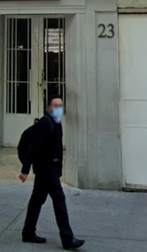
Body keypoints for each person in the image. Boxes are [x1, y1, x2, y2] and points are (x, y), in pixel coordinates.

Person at [19, 95, 85, 250]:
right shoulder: (46, 123)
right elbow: (34, 147)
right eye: (55, 105)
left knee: (37, 199)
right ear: (49, 107)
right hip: (46, 170)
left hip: (48, 169)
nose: (59, 108)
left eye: (61, 105)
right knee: (59, 200)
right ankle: (67, 239)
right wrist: (25, 170)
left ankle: (28, 232)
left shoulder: (55, 122)